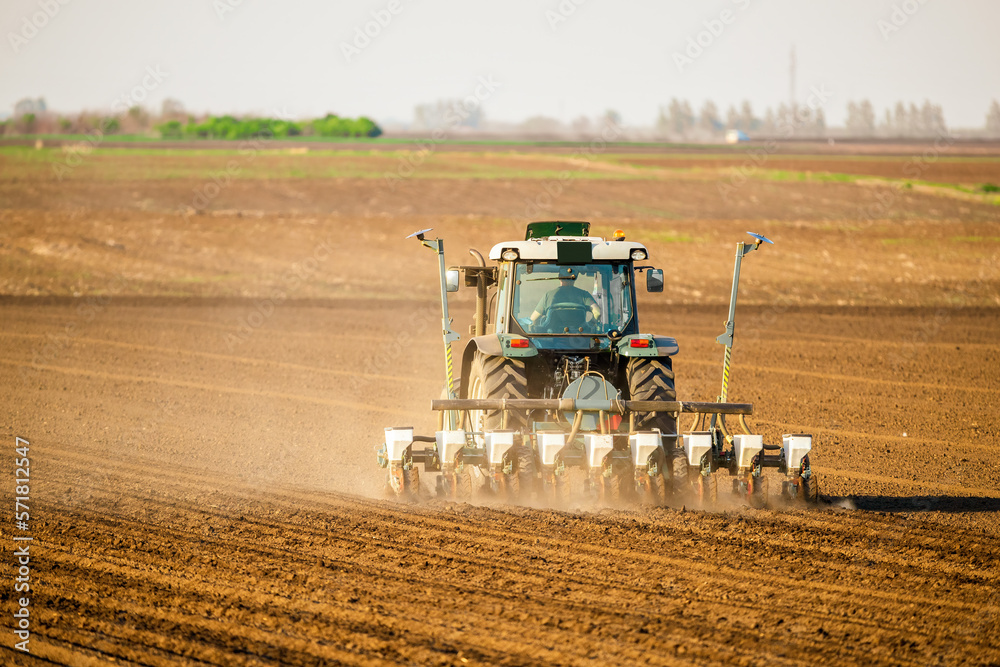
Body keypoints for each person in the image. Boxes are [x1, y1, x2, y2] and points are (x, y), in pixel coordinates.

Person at [529, 271, 601, 329]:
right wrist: (589, 325)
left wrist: (539, 330)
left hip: (552, 338)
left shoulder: (548, 295)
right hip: (579, 338)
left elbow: (533, 319)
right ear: (575, 278)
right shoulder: (584, 295)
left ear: (559, 277)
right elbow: (597, 313)